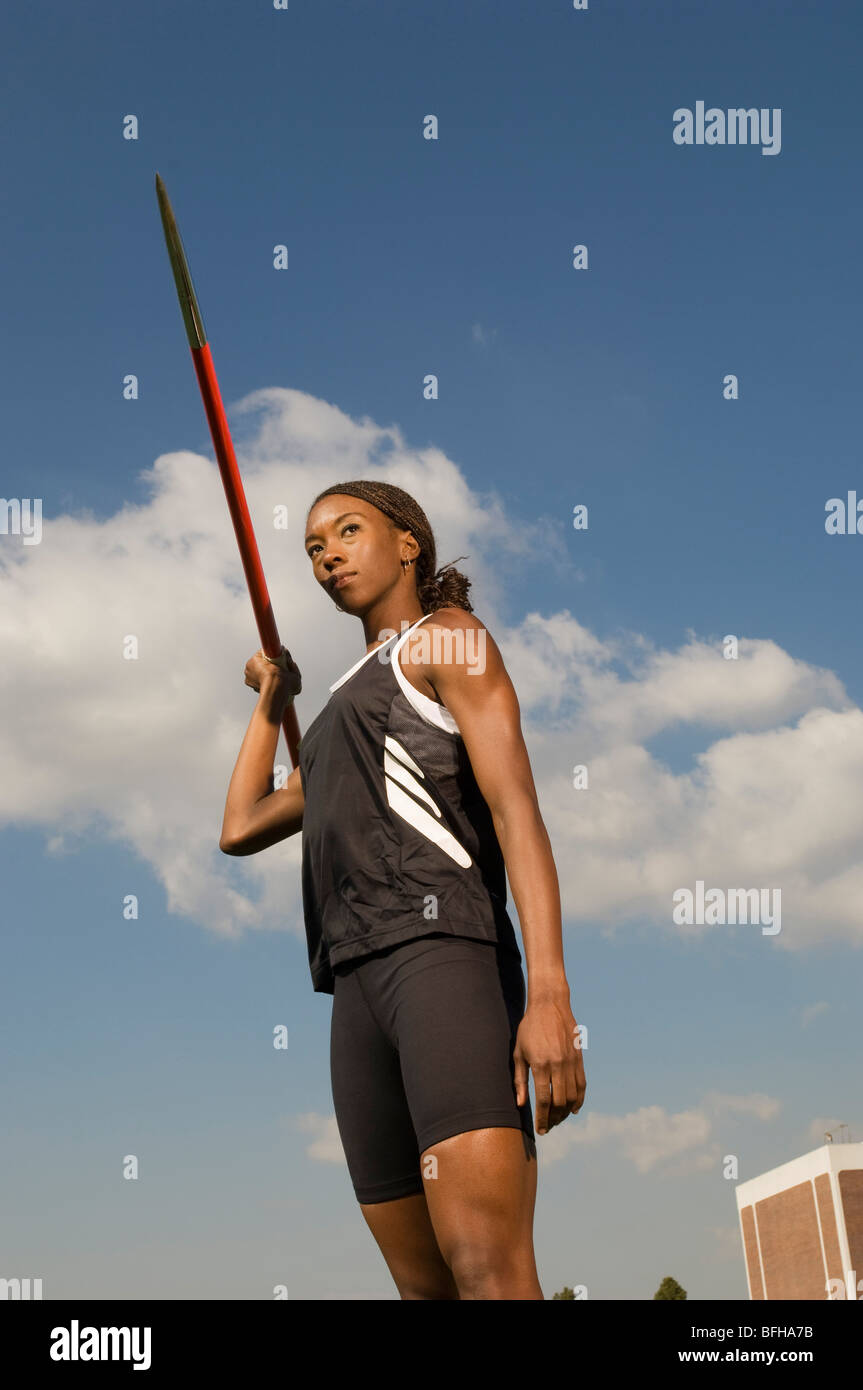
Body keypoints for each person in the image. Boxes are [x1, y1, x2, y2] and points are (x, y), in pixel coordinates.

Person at [219, 480, 586, 1299]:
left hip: (442, 960)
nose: (327, 555)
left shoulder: (446, 640)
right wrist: (272, 705)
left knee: (487, 1267)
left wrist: (550, 993)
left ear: (408, 543)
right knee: (424, 1292)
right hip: (354, 991)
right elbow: (240, 825)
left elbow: (516, 809)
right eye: (313, 547)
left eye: (347, 531)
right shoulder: (336, 716)